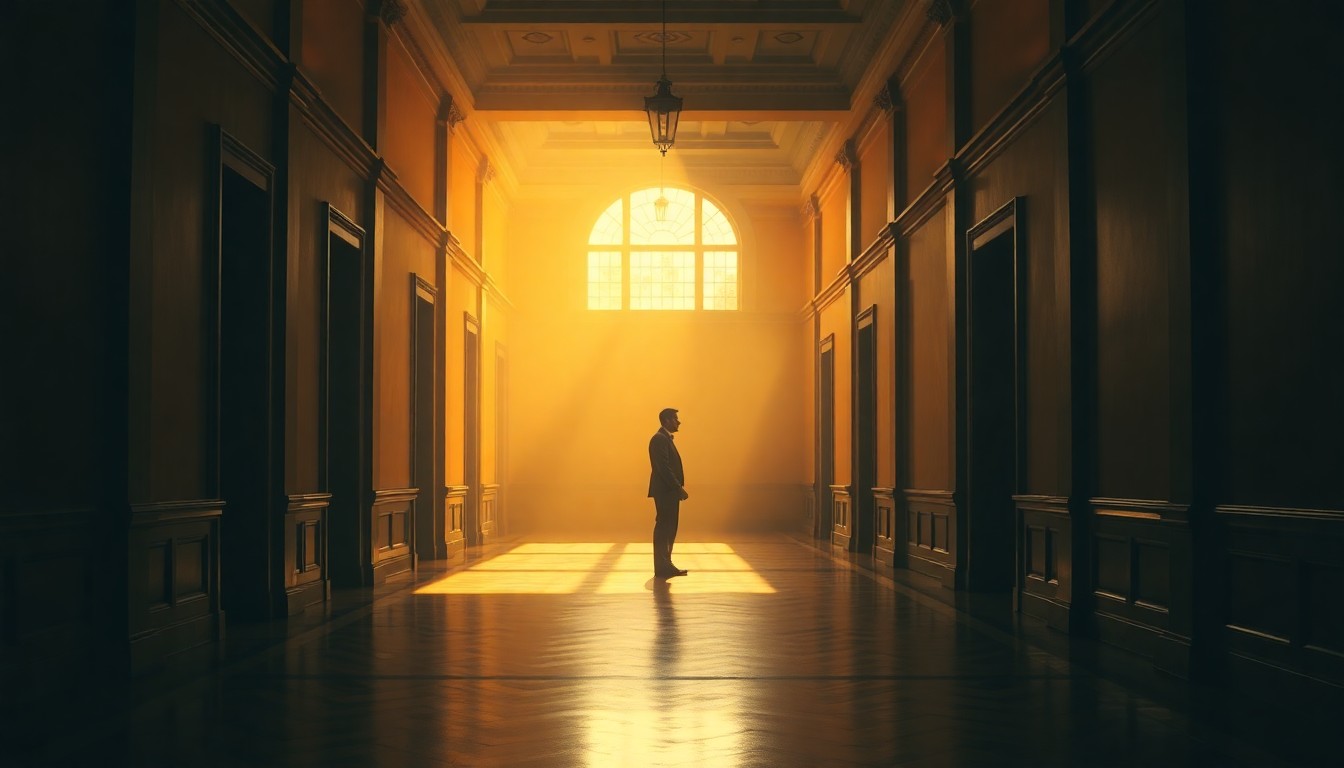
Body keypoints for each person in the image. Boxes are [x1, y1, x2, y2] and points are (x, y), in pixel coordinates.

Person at [648, 407, 689, 578]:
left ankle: (666, 564)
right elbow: (663, 468)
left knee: (668, 527)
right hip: (666, 492)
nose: (678, 422)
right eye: (675, 419)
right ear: (666, 420)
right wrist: (677, 488)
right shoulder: (659, 439)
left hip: (667, 491)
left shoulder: (663, 438)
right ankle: (663, 566)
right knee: (666, 527)